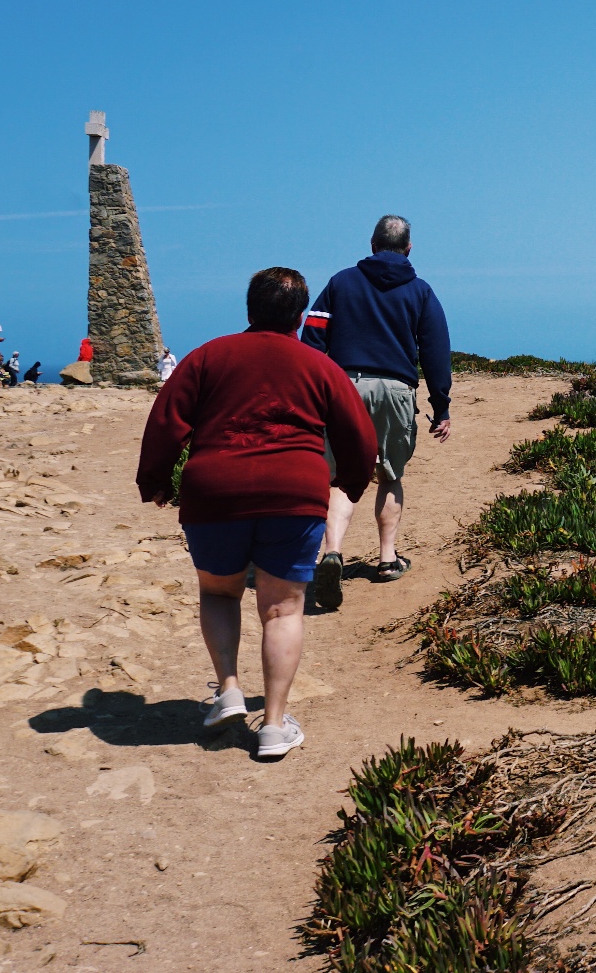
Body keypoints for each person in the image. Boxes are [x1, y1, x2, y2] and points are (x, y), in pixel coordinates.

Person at [135, 267, 376, 761]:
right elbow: (359, 434)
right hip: (294, 493)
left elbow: (166, 420)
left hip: (215, 493)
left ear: (249, 309)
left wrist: (156, 481)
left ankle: (227, 689)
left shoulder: (207, 357)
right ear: (302, 315)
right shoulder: (319, 365)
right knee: (282, 608)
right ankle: (272, 725)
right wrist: (349, 481)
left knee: (219, 592)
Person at [300, 216, 451, 609]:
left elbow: (313, 333)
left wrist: (313, 386)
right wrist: (441, 406)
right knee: (389, 473)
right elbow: (435, 352)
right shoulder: (421, 291)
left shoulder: (341, 282)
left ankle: (332, 552)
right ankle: (387, 559)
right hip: (397, 388)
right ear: (409, 247)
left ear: (371, 243)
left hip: (344, 385)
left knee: (338, 476)